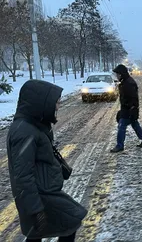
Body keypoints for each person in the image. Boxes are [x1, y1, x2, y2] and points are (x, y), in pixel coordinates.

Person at [7, 80, 87, 242]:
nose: (57, 107)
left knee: (39, 233)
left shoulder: (33, 125)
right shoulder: (24, 131)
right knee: (69, 223)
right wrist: (35, 209)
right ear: (40, 103)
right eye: (55, 103)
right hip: (40, 196)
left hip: (45, 192)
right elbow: (22, 175)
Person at [111, 64, 142, 152]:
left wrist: (132, 109)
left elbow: (133, 98)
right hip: (129, 109)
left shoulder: (128, 83)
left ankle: (119, 146)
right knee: (135, 125)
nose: (116, 76)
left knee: (121, 127)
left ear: (121, 74)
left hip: (129, 110)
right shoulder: (126, 82)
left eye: (117, 74)